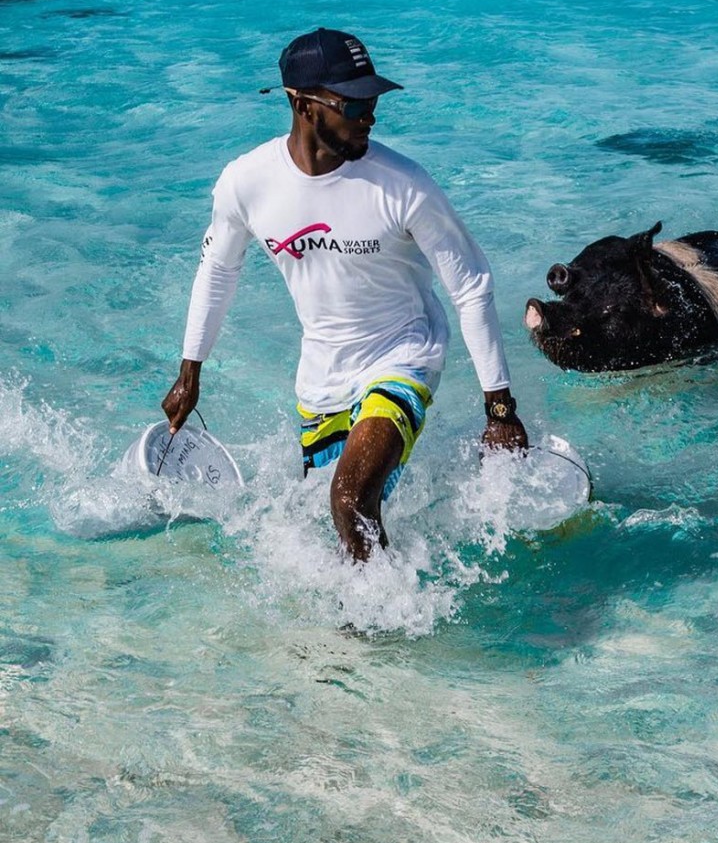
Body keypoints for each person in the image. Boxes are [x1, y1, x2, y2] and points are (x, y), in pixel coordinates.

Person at [162, 28, 528, 560]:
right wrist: (189, 373)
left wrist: (499, 408)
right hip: (321, 379)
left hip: (402, 356)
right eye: (354, 104)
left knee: (349, 498)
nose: (370, 116)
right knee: (335, 525)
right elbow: (217, 271)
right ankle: (363, 609)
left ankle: (374, 633)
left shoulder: (404, 184)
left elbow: (469, 283)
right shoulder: (246, 182)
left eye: (373, 101)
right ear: (303, 105)